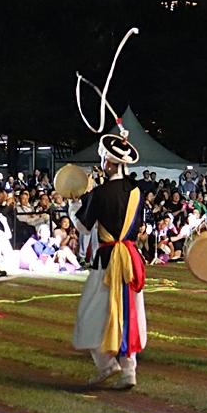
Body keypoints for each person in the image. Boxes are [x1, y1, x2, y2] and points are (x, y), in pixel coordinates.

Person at [71, 129, 146, 390]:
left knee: (89, 314)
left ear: (108, 162)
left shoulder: (100, 193)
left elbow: (82, 227)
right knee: (129, 312)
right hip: (130, 259)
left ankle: (106, 364)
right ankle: (129, 372)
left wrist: (73, 206)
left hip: (107, 260)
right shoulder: (138, 191)